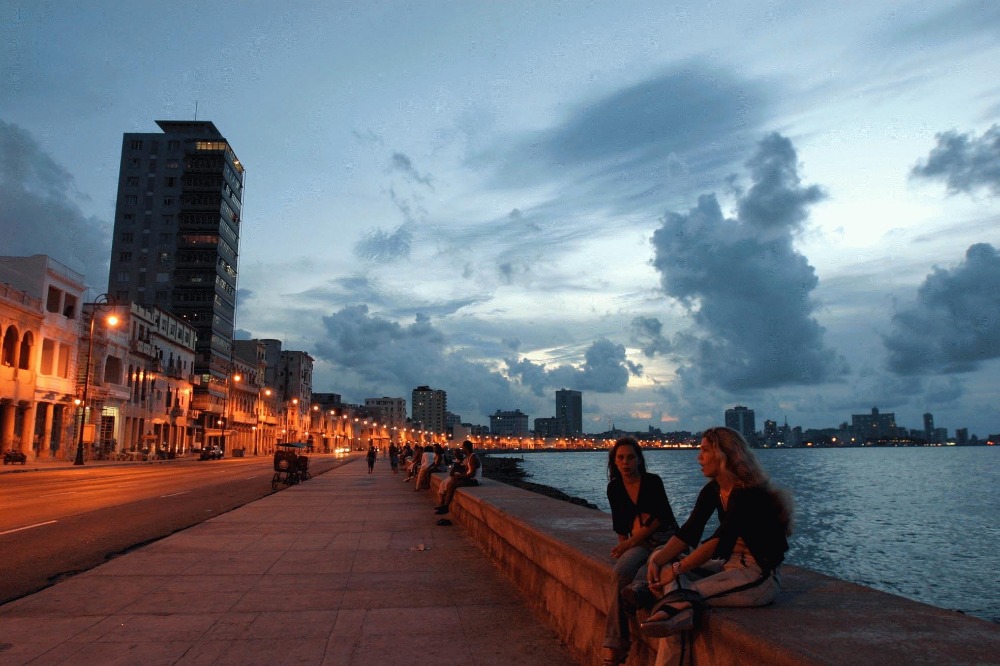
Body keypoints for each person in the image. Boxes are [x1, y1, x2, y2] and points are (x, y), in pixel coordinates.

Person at [640, 426, 792, 639]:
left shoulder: (748, 493)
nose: (698, 457)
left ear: (724, 455)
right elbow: (689, 532)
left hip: (758, 576)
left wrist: (676, 569)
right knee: (661, 560)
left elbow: (719, 541)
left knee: (682, 597)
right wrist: (657, 563)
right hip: (727, 567)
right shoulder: (713, 490)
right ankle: (670, 602)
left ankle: (666, 603)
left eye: (704, 451)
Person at [601, 437, 679, 666]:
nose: (625, 462)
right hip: (638, 543)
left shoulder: (653, 481)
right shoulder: (614, 488)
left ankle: (638, 595)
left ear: (639, 460)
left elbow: (658, 520)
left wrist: (627, 544)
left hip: (665, 540)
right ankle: (616, 644)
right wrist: (625, 549)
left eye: (630, 457)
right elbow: (620, 525)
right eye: (620, 458)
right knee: (619, 573)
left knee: (644, 573)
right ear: (614, 462)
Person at [433, 440, 480, 514]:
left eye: (463, 448)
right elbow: (467, 471)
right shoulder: (468, 457)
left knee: (452, 484)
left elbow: (472, 474)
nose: (462, 449)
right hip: (470, 478)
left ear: (466, 448)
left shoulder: (473, 457)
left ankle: (446, 506)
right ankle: (444, 505)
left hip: (475, 480)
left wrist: (461, 476)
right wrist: (459, 476)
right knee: (451, 482)